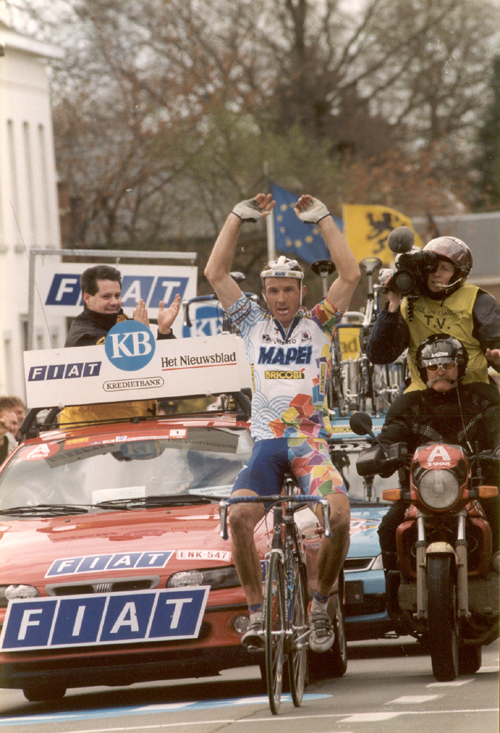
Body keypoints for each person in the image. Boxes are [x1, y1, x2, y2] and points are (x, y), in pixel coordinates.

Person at [204, 193, 360, 652]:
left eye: (288, 289)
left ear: (301, 293)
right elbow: (215, 273)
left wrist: (325, 221)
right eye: (272, 290)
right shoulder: (251, 322)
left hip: (310, 444)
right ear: (264, 294)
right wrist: (237, 216)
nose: (280, 297)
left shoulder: (320, 324)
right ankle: (255, 613)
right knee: (239, 519)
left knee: (340, 516)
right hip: (267, 445)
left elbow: (350, 274)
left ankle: (320, 602)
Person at [371, 334, 500, 606]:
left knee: (498, 506)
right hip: (420, 496)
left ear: (461, 367)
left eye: (447, 364)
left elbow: (497, 427)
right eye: (432, 366)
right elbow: (391, 434)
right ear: (423, 371)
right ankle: (394, 590)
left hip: (473, 489)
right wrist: (381, 453)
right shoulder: (408, 405)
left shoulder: (481, 399)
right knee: (388, 527)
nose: (440, 371)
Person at [366, 236, 500, 392]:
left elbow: (496, 347)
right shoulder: (409, 301)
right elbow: (379, 355)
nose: (436, 274)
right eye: (432, 267)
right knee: (395, 415)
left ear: (458, 274)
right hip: (423, 393)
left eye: (445, 269)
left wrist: (497, 361)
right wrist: (393, 305)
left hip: (471, 391)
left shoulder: (479, 301)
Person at [60, 265, 180, 424]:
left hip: (139, 426)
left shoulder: (126, 324)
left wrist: (164, 332)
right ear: (87, 298)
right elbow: (116, 366)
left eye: (117, 295)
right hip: (95, 433)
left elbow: (163, 368)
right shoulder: (82, 334)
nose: (114, 302)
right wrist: (138, 336)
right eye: (106, 296)